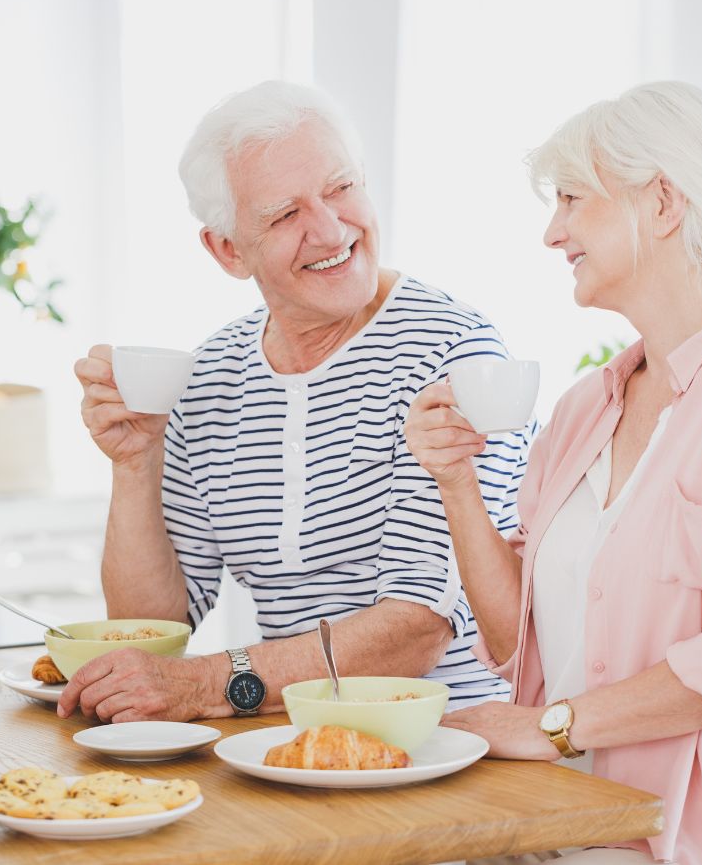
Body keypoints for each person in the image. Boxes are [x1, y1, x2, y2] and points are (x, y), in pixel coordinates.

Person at [406, 81, 702, 864]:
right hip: (564, 826)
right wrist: (454, 482)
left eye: (573, 198)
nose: (553, 232)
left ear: (664, 203)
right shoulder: (585, 408)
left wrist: (552, 726)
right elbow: (520, 643)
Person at [62, 81, 534, 724]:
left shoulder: (455, 355)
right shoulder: (214, 373)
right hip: (283, 749)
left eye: (341, 188)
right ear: (228, 249)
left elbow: (417, 629)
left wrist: (207, 686)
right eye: (285, 215)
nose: (331, 229)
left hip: (447, 747)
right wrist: (133, 465)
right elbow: (154, 626)